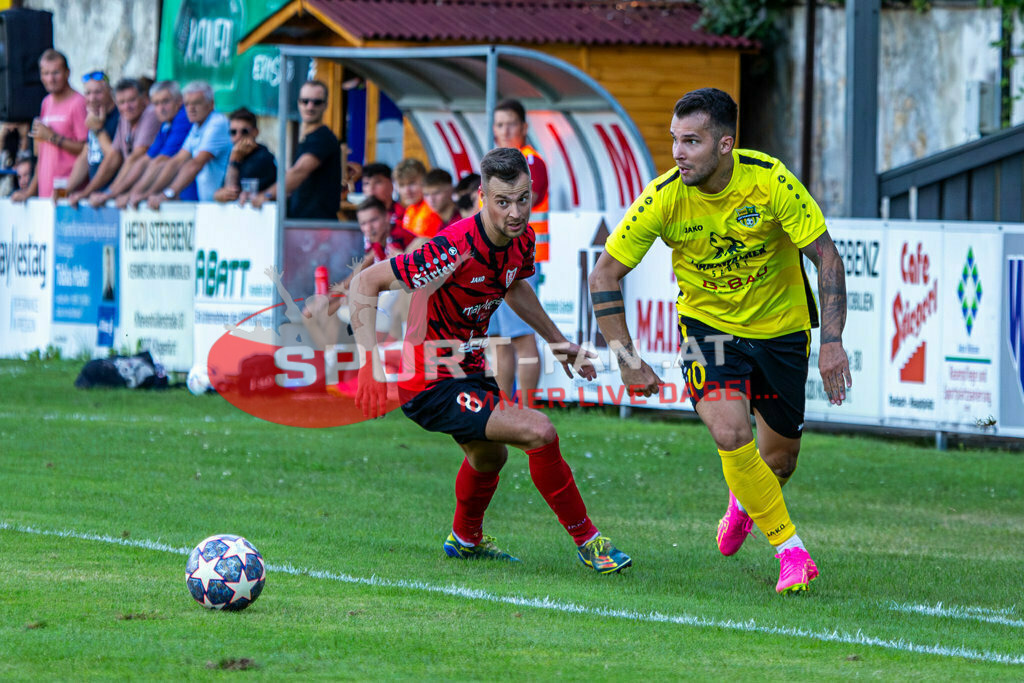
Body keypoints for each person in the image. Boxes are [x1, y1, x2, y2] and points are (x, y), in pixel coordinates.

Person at [588, 87, 851, 595]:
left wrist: (833, 341)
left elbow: (828, 257)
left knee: (778, 463)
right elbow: (603, 275)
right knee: (731, 435)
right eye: (675, 140)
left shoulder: (771, 181)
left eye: (692, 141)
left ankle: (742, 499)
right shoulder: (664, 196)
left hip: (781, 330)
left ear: (725, 144)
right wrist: (626, 358)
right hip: (707, 329)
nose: (679, 153)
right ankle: (792, 552)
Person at [350, 147, 632, 573]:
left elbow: (514, 285)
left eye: (523, 198)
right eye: (502, 202)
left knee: (490, 458)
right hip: (429, 379)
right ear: (482, 196)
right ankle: (590, 542)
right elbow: (364, 283)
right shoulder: (451, 249)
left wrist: (558, 342)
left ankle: (465, 539)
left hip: (468, 369)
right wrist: (369, 364)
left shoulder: (523, 238)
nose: (515, 212)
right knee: (539, 430)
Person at [487, 99, 548, 401]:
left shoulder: (529, 162)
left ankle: (527, 407)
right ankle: (504, 409)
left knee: (523, 336)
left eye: (510, 123)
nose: (504, 130)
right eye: (499, 124)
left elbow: (522, 206)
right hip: (493, 258)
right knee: (498, 340)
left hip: (521, 258)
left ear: (523, 128)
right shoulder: (495, 163)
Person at [251, 80, 341, 219]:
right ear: (298, 103)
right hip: (303, 223)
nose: (310, 107)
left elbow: (299, 172)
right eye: (305, 101)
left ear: (325, 105)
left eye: (316, 102)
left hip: (317, 225)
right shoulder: (308, 137)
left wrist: (267, 195)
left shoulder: (323, 137)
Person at [99, 80, 191, 209]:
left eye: (165, 102)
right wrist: (113, 193)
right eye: (156, 103)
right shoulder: (166, 123)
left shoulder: (183, 118)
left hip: (191, 200)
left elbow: (161, 161)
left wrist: (135, 193)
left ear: (179, 101)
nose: (161, 108)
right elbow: (146, 160)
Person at [11, 49, 87, 201]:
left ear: (67, 73)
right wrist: (29, 192)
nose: (50, 79)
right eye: (46, 73)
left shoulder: (79, 103)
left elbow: (87, 150)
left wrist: (52, 137)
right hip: (46, 193)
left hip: (69, 193)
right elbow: (42, 157)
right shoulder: (46, 102)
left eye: (55, 73)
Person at [75, 78, 160, 208]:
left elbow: (136, 157)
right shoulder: (125, 117)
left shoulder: (151, 113)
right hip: (131, 193)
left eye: (132, 100)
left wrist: (110, 193)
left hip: (151, 191)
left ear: (144, 99)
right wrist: (87, 192)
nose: (127, 107)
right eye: (122, 102)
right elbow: (113, 157)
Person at [147, 80, 231, 208]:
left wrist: (168, 193)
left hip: (224, 207)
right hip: (210, 206)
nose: (191, 108)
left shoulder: (217, 123)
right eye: (187, 104)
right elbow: (177, 161)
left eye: (197, 103)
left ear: (211, 104)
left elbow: (196, 164)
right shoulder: (197, 126)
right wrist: (150, 193)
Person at [63, 71, 119, 203]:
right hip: (96, 197)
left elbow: (113, 158)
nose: (92, 98)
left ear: (110, 91)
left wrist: (85, 193)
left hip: (113, 198)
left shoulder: (119, 118)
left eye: (98, 92)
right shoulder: (93, 116)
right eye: (88, 93)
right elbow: (85, 156)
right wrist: (65, 191)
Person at [213, 107, 276, 203]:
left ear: (255, 132)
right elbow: (224, 191)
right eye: (233, 132)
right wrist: (218, 195)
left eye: (244, 132)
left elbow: (232, 193)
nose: (238, 136)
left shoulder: (263, 157)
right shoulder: (237, 154)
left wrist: (234, 161)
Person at [394, 158, 441, 238]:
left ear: (425, 181)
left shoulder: (435, 205)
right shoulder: (410, 209)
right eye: (402, 185)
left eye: (412, 183)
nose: (407, 191)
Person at [361, 161, 403, 228]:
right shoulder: (362, 215)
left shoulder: (403, 215)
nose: (371, 188)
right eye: (366, 183)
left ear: (392, 185)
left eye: (377, 182)